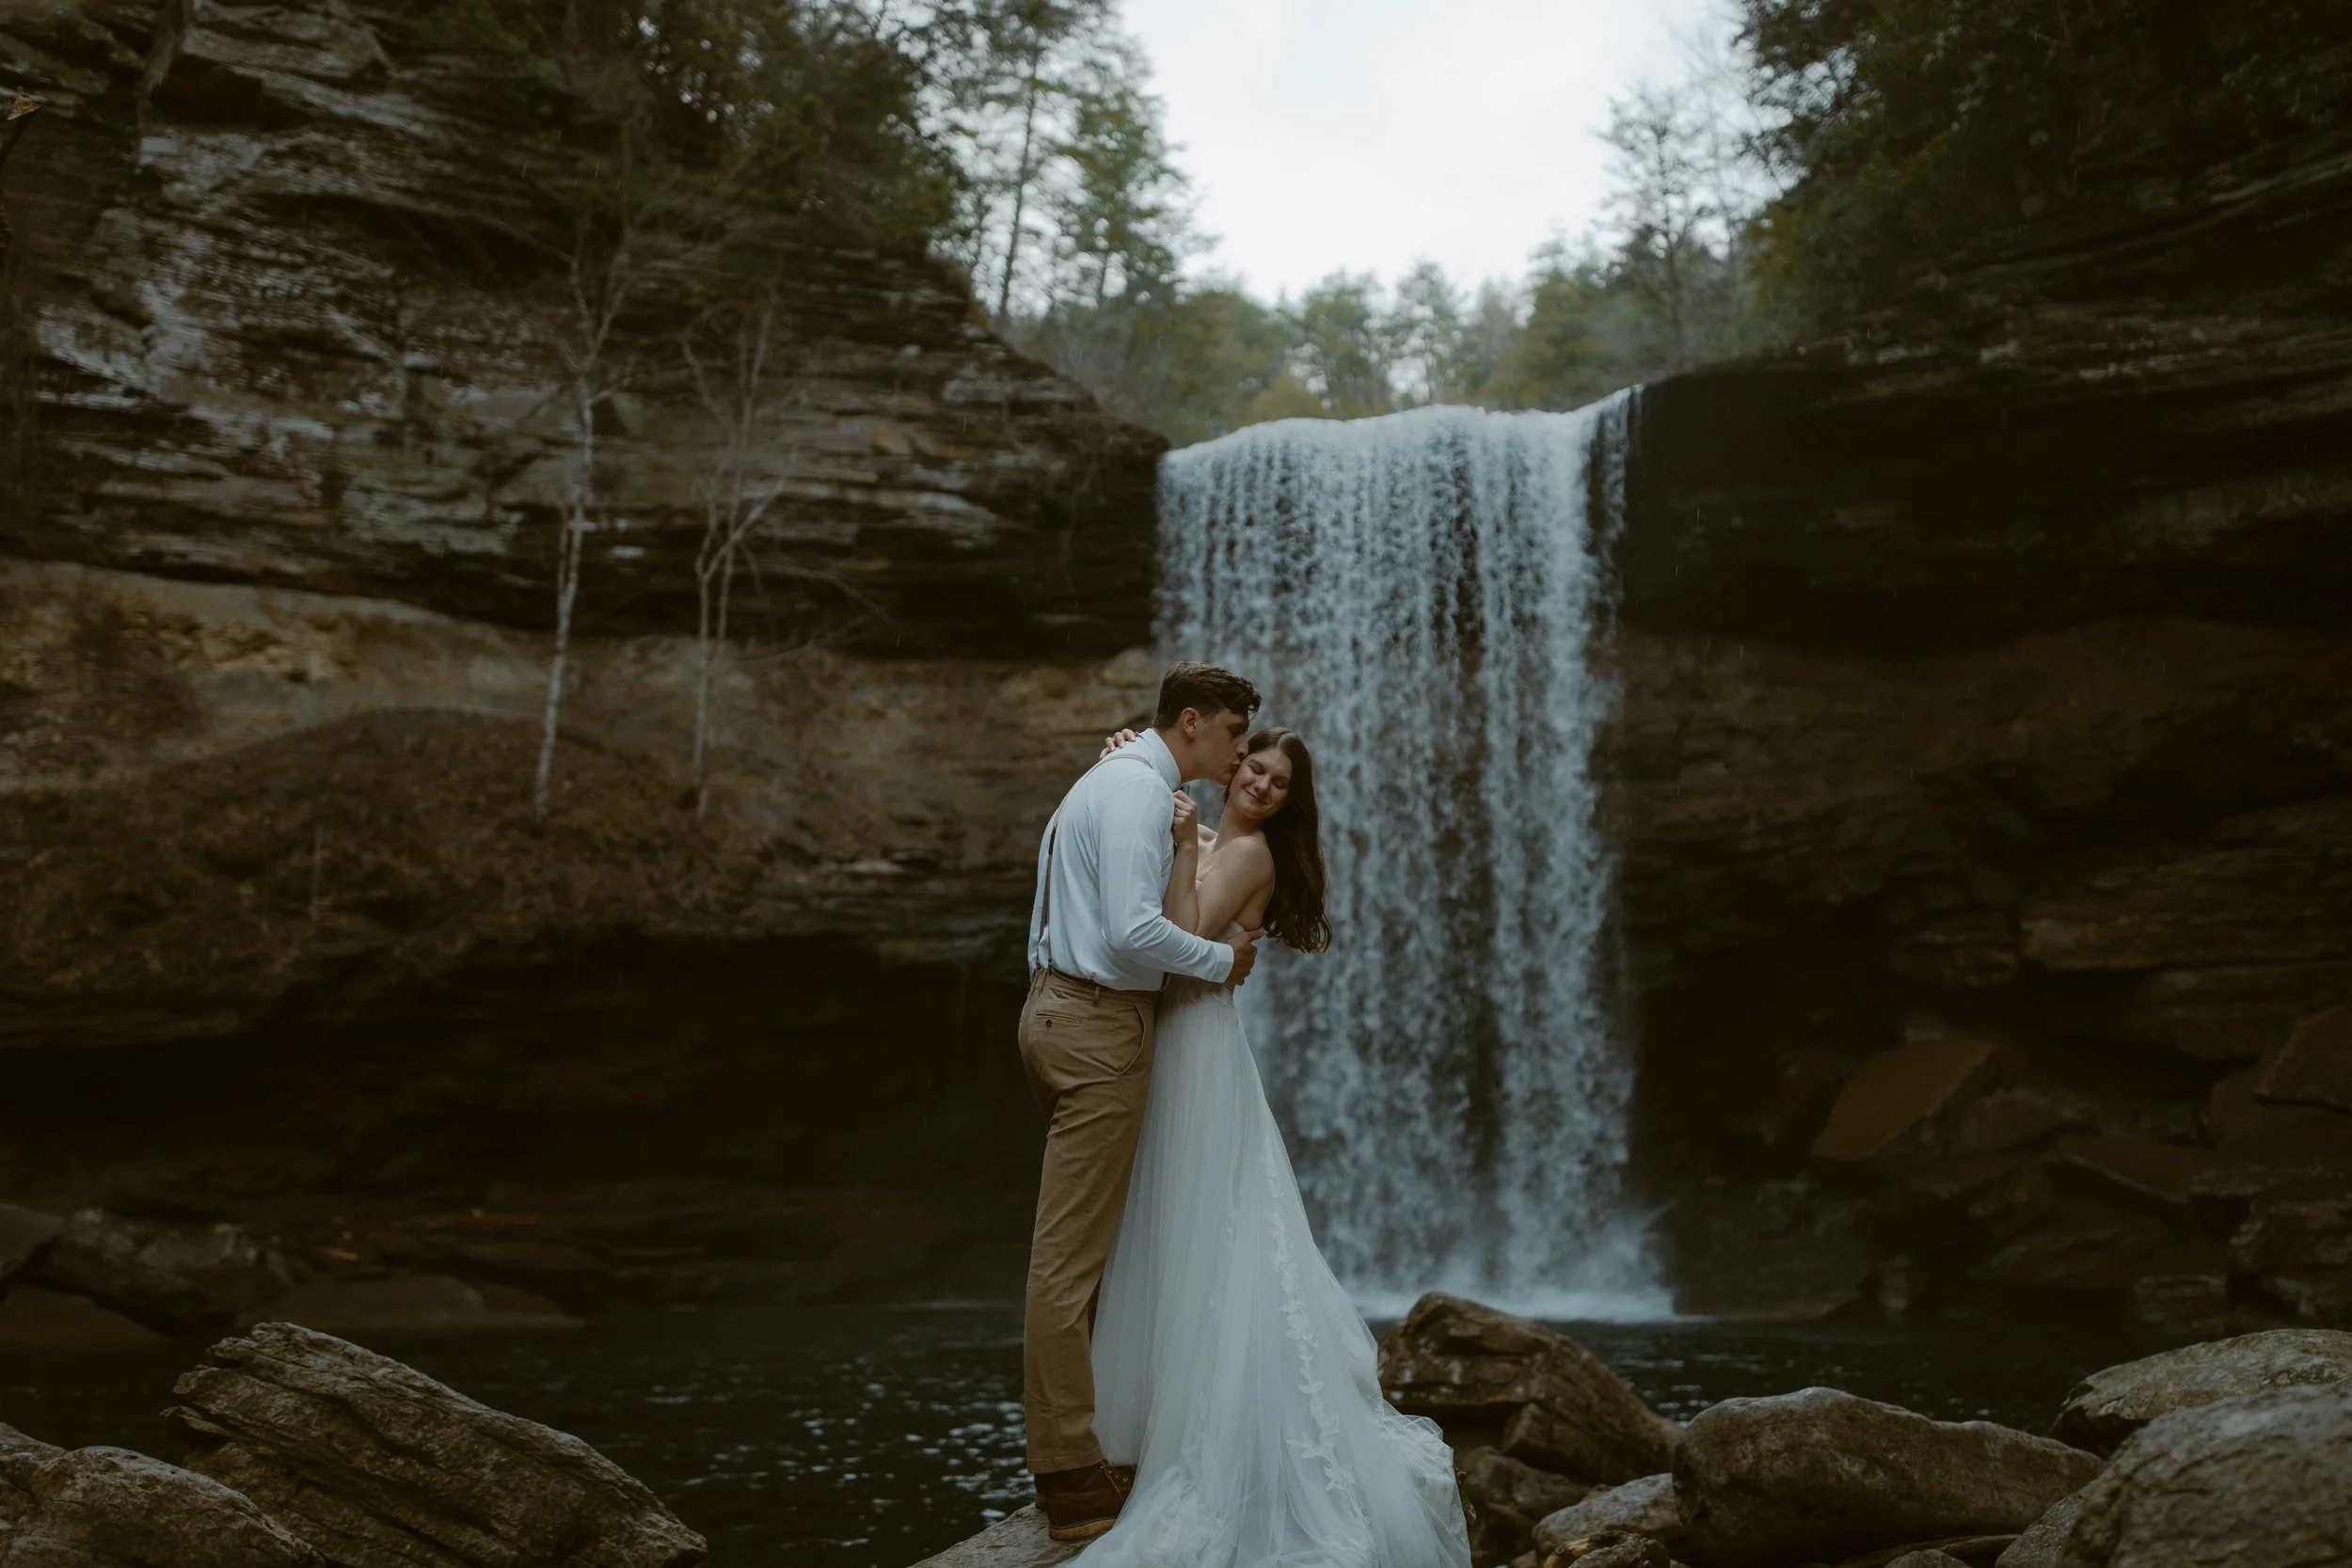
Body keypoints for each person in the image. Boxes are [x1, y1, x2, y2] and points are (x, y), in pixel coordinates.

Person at [1079, 725, 1471, 1567]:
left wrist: (1186, 842)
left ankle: (1204, 1437)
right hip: (1188, 1044)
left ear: (1291, 802)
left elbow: (1181, 933)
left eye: (1279, 780)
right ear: (1234, 766)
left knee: (1206, 1232)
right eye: (1254, 766)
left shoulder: (1245, 853)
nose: (1260, 783)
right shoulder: (1225, 838)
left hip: (1193, 1045)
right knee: (1192, 1230)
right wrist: (1128, 760)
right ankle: (1164, 1423)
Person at [1019, 661, 1268, 1543]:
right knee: (1069, 1261)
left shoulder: (1117, 777)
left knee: (1083, 1249)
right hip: (1097, 1022)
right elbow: (1131, 929)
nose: (1242, 753)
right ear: (1192, 722)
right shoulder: (1131, 791)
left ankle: (1091, 1445)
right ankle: (1070, 1478)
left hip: (1064, 1005)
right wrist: (1222, 962)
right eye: (1236, 732)